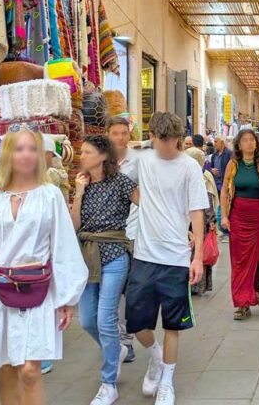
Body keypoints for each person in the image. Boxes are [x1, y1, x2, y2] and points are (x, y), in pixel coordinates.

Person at [0, 129, 86, 405]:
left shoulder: (50, 195)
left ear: (40, 155)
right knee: (6, 365)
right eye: (19, 149)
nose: (25, 155)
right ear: (7, 155)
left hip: (37, 288)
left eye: (32, 149)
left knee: (29, 370)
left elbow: (63, 246)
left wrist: (67, 297)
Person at [126, 112, 208, 405]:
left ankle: (167, 383)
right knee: (136, 322)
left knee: (173, 324)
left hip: (175, 256)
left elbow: (197, 211)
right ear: (152, 137)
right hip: (145, 255)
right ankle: (157, 357)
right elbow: (123, 180)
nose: (166, 146)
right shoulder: (143, 160)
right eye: (161, 140)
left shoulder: (189, 167)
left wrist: (197, 257)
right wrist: (144, 201)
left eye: (172, 140)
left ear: (178, 138)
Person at [71, 135, 139, 405]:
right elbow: (74, 224)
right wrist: (78, 193)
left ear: (102, 156)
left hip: (114, 254)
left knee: (105, 317)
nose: (82, 156)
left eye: (87, 152)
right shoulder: (82, 184)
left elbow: (146, 204)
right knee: (87, 319)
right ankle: (117, 349)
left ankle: (108, 382)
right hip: (87, 256)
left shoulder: (121, 181)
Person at [221, 129, 259, 320]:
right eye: (244, 140)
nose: (249, 143)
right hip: (238, 216)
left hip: (258, 215)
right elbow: (225, 191)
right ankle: (242, 303)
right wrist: (224, 217)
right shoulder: (233, 164)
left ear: (256, 143)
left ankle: (258, 286)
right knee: (239, 261)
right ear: (238, 144)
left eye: (252, 140)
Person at [106, 116, 137, 364]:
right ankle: (113, 338)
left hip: (133, 233)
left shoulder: (137, 162)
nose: (120, 137)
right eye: (115, 133)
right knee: (109, 290)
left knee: (126, 289)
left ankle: (126, 339)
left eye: (123, 133)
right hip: (105, 236)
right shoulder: (99, 161)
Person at [186, 147, 219, 295]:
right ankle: (197, 284)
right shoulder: (203, 175)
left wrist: (211, 220)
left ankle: (195, 284)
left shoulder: (202, 176)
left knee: (198, 252)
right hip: (198, 219)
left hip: (198, 219)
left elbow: (208, 199)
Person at [209, 137, 233, 241]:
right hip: (217, 184)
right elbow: (212, 167)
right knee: (219, 207)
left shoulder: (229, 154)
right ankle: (223, 230)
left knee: (226, 207)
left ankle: (227, 231)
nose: (214, 144)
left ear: (222, 143)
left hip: (225, 184)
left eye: (216, 142)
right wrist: (211, 170)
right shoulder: (214, 155)